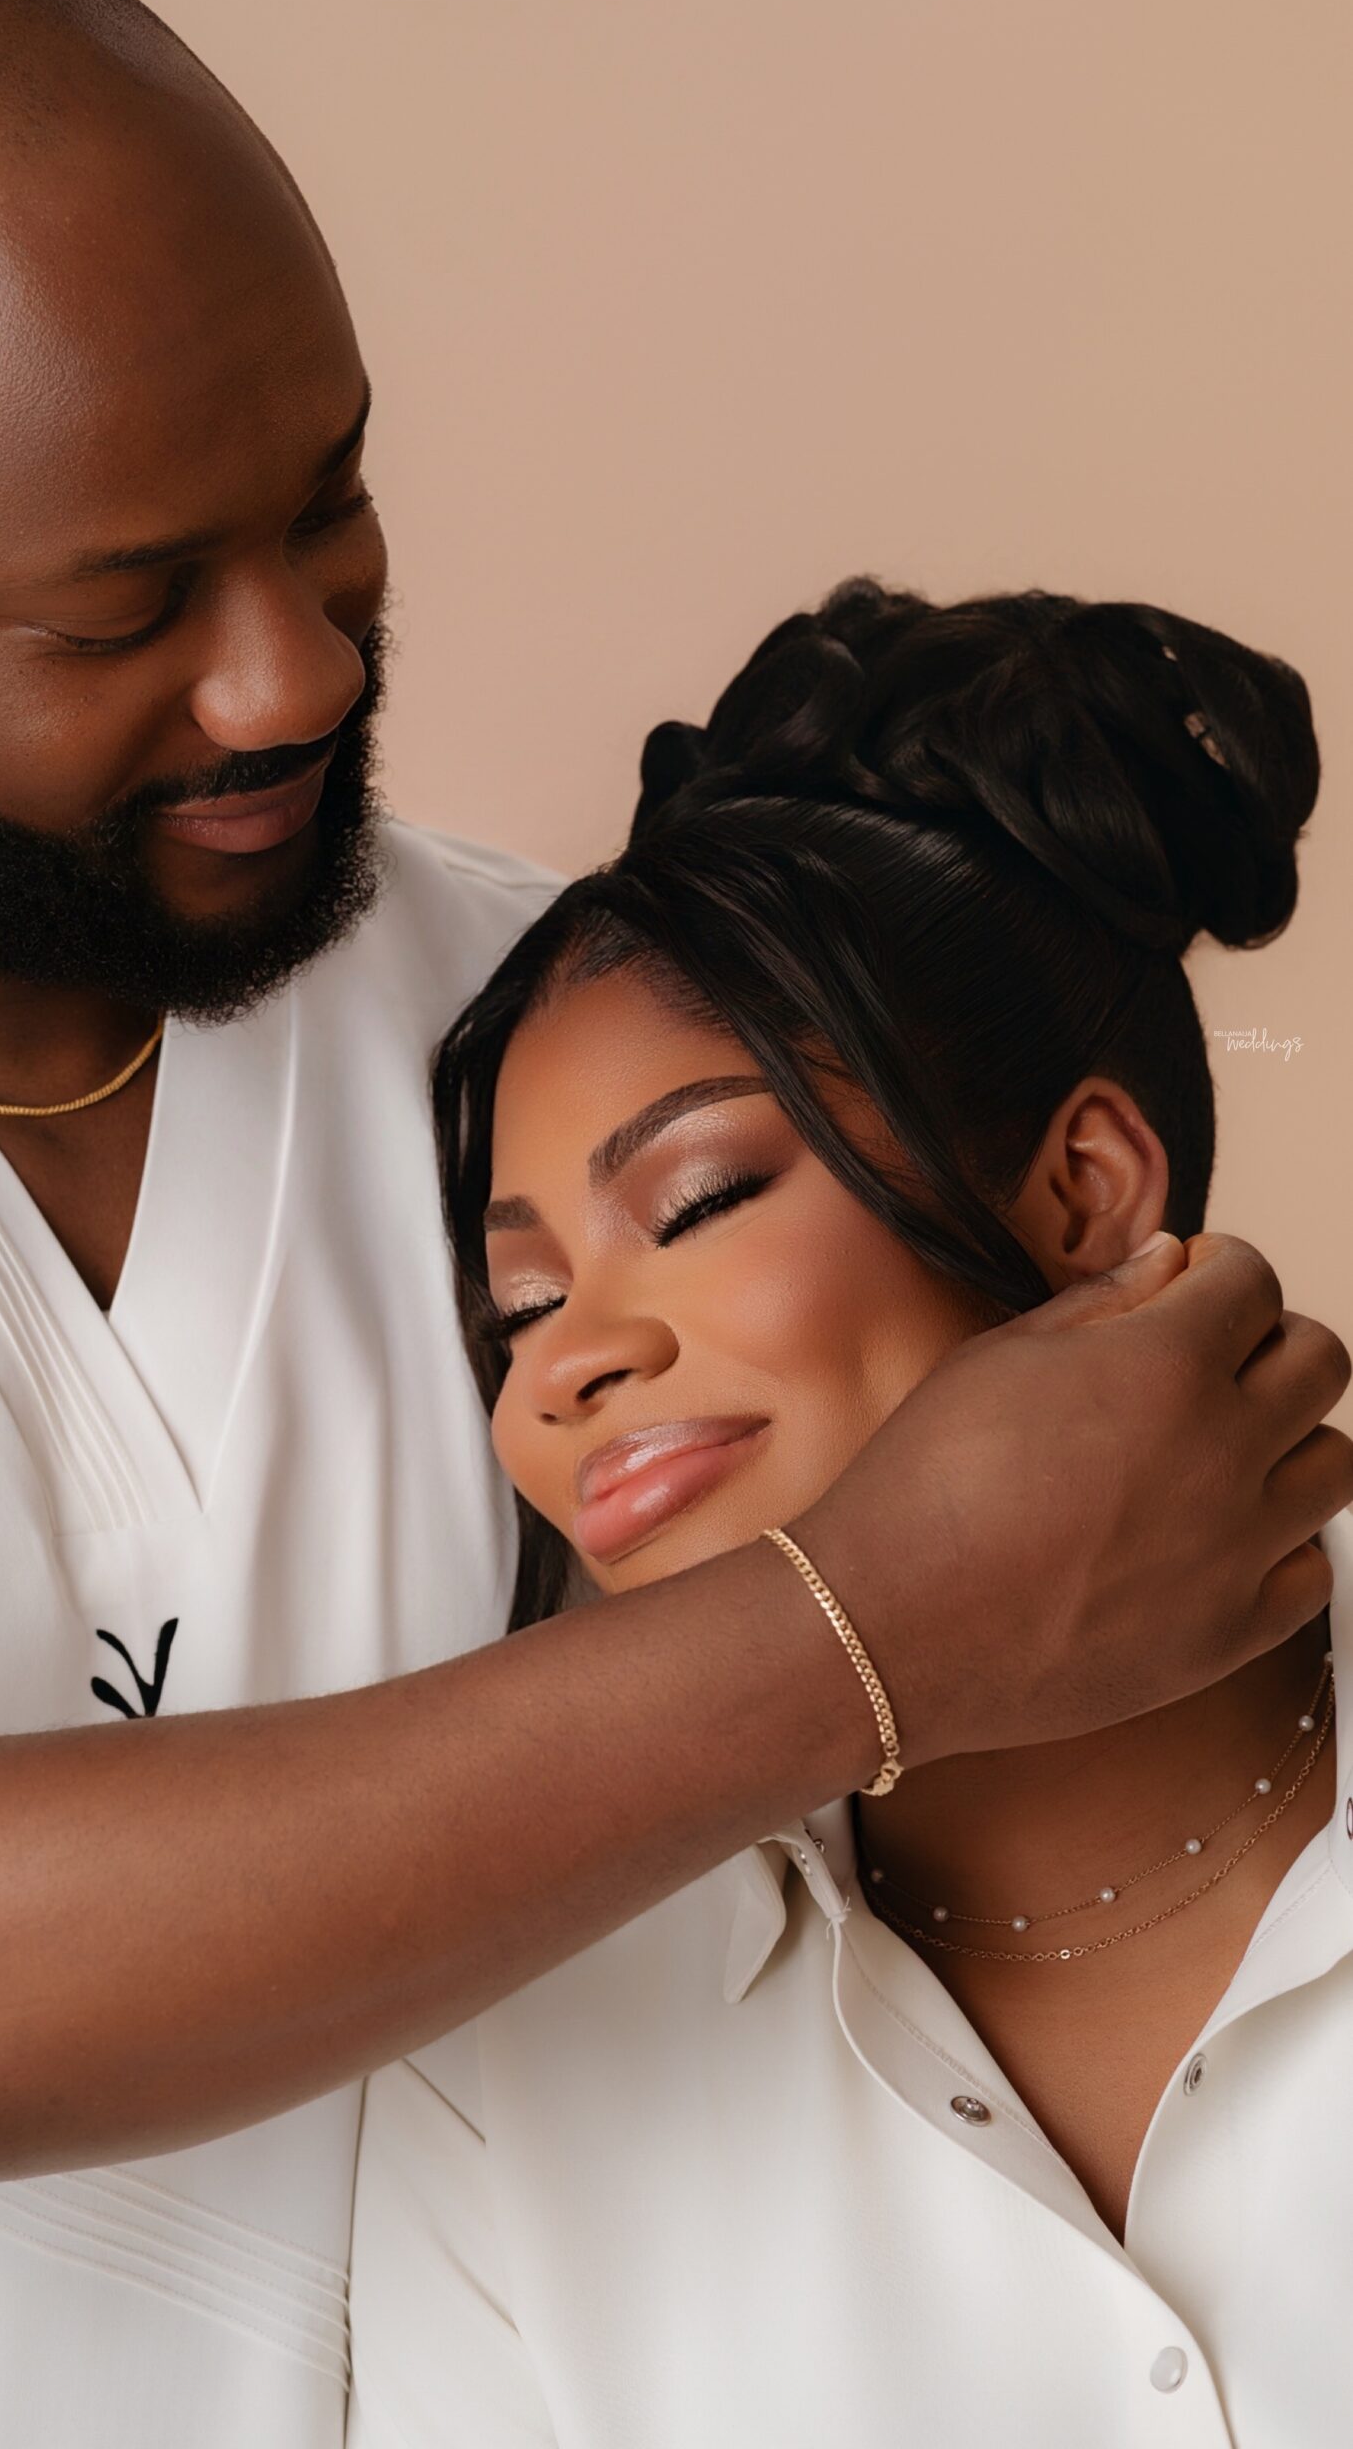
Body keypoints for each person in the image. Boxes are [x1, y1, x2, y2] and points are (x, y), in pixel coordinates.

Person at [0, 0, 1344, 2449]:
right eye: (123, 608)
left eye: (325, 502)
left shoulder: (534, 1016)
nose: (297, 672)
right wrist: (883, 1619)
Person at [346, 580, 1353, 2449]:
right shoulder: (509, 2083)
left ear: (1087, 1191)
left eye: (699, 1200)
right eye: (517, 1305)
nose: (564, 1365)